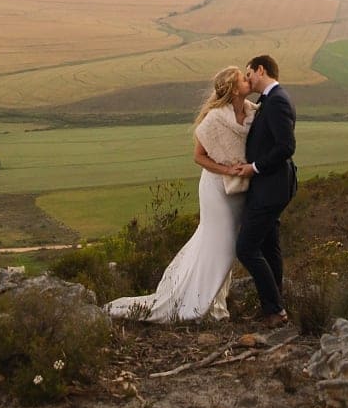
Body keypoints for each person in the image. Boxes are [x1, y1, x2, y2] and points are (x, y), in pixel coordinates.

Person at [105, 66, 254, 322]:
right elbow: (199, 156)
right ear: (232, 89)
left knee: (224, 245)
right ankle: (198, 304)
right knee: (221, 244)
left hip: (239, 189)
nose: (247, 79)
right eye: (242, 78)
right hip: (216, 188)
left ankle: (214, 301)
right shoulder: (215, 118)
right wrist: (227, 169)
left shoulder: (252, 112)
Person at [227, 53, 297, 327]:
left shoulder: (277, 101)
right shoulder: (270, 100)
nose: (247, 80)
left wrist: (254, 167)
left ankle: (275, 310)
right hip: (270, 186)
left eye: (249, 74)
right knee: (269, 245)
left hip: (271, 187)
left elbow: (286, 146)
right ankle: (275, 305)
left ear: (260, 70)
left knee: (246, 248)